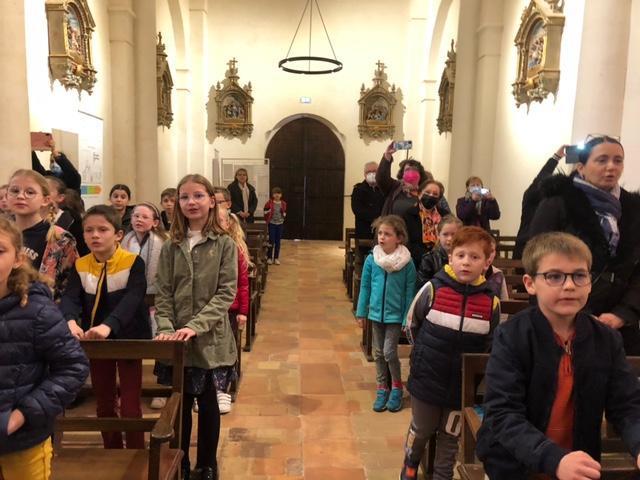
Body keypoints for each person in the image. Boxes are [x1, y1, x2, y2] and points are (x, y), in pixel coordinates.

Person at [476, 232, 640, 479]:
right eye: (554, 276)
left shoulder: (606, 339)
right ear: (530, 283)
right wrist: (553, 459)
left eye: (579, 275)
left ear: (590, 282)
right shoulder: (512, 335)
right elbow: (503, 413)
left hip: (578, 465)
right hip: (514, 466)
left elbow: (627, 405)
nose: (570, 285)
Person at [154, 174, 237, 480]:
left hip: (211, 337)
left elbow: (225, 292)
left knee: (209, 403)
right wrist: (165, 326)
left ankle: (207, 464)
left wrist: (195, 325)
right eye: (185, 197)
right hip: (176, 337)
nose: (191, 202)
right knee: (182, 403)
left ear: (211, 201)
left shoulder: (224, 244)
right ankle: (182, 463)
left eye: (198, 196)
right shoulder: (171, 246)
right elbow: (163, 292)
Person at [401, 226, 500, 480]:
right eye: (461, 255)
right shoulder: (434, 289)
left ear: (486, 262)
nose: (466, 262)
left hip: (461, 386)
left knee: (450, 437)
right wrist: (421, 354)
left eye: (475, 257)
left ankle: (442, 476)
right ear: (450, 257)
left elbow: (491, 343)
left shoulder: (491, 302)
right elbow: (411, 324)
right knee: (421, 429)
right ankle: (410, 465)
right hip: (427, 378)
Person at [527, 135, 640, 355]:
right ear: (581, 167)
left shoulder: (633, 209)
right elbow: (537, 260)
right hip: (563, 317)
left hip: (620, 324)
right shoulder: (558, 202)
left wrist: (623, 313)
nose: (611, 167)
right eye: (602, 160)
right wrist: (580, 316)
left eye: (618, 160)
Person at [0, 216, 89, 480]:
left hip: (21, 439)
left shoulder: (37, 310)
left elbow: (73, 367)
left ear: (17, 259)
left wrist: (23, 414)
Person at [60, 205, 151, 450]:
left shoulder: (133, 262)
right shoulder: (81, 265)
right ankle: (112, 451)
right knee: (104, 402)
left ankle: (135, 453)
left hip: (129, 339)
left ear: (118, 234)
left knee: (130, 405)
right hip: (95, 341)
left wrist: (109, 325)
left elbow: (133, 298)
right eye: (89, 230)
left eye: (102, 230)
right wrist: (70, 320)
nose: (95, 235)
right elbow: (70, 298)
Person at [356, 215, 416, 413]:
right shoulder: (372, 260)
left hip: (395, 315)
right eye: (380, 233)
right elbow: (365, 287)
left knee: (389, 351)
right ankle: (382, 388)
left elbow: (410, 292)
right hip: (375, 314)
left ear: (399, 238)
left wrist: (407, 316)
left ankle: (396, 387)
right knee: (378, 353)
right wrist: (361, 312)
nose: (382, 237)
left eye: (387, 234)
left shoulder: (407, 263)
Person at [7, 170, 78, 300]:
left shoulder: (60, 239)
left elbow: (70, 289)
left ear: (45, 200)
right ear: (6, 196)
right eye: (15, 191)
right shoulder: (4, 233)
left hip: (42, 307)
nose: (20, 196)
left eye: (30, 192)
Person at [216, 210, 250, 415]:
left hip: (229, 307)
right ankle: (208, 389)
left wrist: (243, 311)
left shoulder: (235, 248)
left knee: (226, 349)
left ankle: (222, 389)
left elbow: (242, 283)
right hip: (206, 308)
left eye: (220, 220)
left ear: (229, 224)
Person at [513, 145, 564, 259]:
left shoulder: (556, 203)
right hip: (527, 248)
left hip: (546, 250)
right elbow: (540, 178)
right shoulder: (532, 197)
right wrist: (555, 158)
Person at [44, 175, 88, 255]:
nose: (41, 193)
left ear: (60, 197)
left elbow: (82, 252)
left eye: (45, 190)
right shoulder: (28, 219)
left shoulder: (72, 221)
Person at [416, 214, 462, 289]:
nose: (449, 238)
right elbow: (423, 286)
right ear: (438, 235)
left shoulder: (465, 258)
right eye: (445, 234)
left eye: (453, 234)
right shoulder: (429, 259)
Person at [351, 161, 385, 239]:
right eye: (368, 172)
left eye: (374, 171)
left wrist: (382, 219)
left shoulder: (384, 189)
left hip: (383, 229)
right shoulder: (358, 189)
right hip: (365, 231)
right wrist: (375, 219)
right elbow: (357, 210)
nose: (372, 174)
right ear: (364, 174)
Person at [264, 187, 287, 265]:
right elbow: (265, 212)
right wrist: (269, 213)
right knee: (271, 240)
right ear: (273, 195)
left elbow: (285, 213)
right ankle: (269, 257)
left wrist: (283, 214)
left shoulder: (283, 203)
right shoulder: (269, 203)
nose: (277, 195)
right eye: (275, 193)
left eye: (279, 193)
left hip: (280, 224)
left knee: (278, 241)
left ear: (281, 195)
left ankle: (276, 258)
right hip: (272, 224)